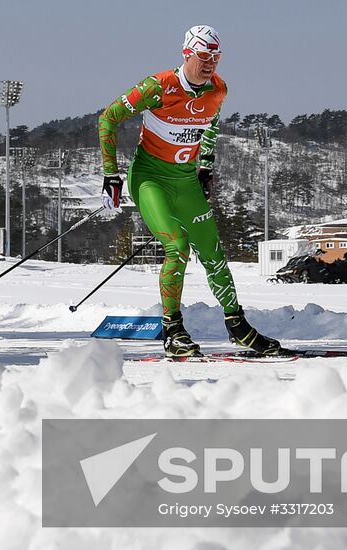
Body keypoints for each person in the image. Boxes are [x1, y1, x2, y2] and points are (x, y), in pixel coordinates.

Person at [97, 25, 285, 357]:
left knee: (213, 252)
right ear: (187, 54)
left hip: (185, 180)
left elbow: (211, 124)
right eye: (204, 55)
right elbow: (108, 118)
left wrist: (206, 166)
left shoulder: (219, 89)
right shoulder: (159, 86)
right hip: (150, 178)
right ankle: (172, 330)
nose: (211, 62)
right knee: (177, 246)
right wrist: (111, 174)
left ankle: (237, 325)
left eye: (216, 56)